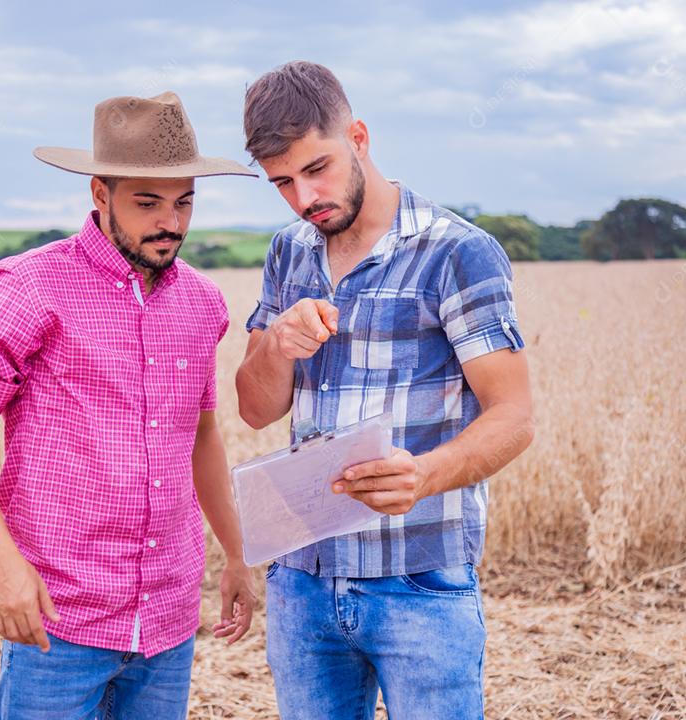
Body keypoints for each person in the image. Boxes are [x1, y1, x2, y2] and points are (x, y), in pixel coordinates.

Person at [0, 91, 258, 719]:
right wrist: (5, 568)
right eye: (147, 202)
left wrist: (237, 552)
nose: (171, 221)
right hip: (58, 617)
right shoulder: (27, 288)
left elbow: (202, 437)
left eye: (184, 201)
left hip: (168, 618)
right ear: (99, 193)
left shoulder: (202, 303)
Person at [236, 62, 535, 719]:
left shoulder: (457, 252)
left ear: (359, 137)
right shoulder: (289, 252)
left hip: (420, 581)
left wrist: (424, 475)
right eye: (282, 182)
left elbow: (514, 416)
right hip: (302, 580)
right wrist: (276, 343)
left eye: (318, 168)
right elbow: (256, 407)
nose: (304, 196)